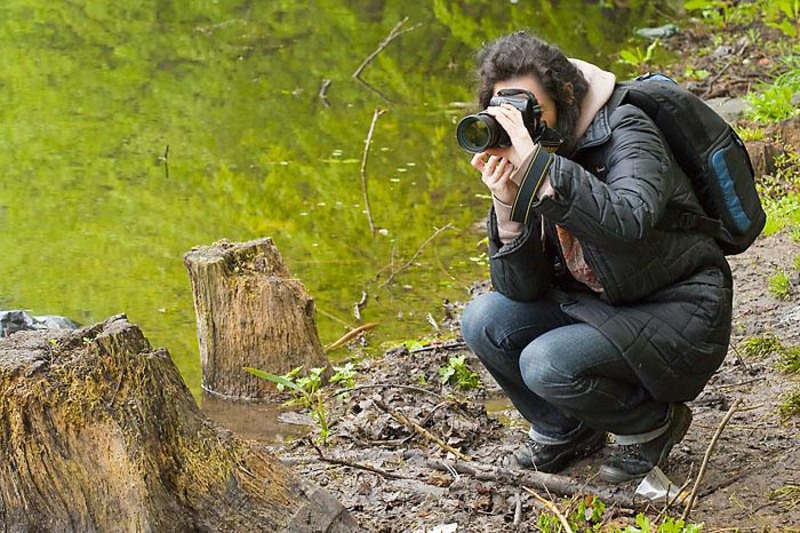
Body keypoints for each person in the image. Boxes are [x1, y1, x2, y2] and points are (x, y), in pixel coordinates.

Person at [459, 31, 733, 483]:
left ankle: (651, 424)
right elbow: (520, 290)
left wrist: (540, 170)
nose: (521, 126)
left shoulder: (627, 128)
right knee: (483, 319)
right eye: (506, 112)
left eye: (531, 110)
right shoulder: (538, 154)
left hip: (677, 308)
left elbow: (628, 221)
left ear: (565, 97)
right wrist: (507, 207)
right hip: (599, 305)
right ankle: (564, 429)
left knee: (546, 362)